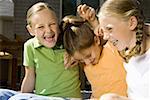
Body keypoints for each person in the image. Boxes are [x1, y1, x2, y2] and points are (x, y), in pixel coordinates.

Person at [0, 2, 81, 100]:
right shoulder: (30, 46)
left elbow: (90, 50)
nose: (48, 31)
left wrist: (77, 55)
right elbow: (29, 77)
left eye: (52, 24)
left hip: (67, 98)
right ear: (31, 30)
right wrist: (23, 96)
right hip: (40, 97)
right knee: (2, 94)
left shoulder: (68, 41)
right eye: (41, 27)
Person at [79, 0, 150, 100]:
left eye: (110, 29)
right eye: (104, 30)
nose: (106, 37)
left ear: (132, 23)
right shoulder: (127, 54)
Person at [62, 15, 127, 99]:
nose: (87, 62)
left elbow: (120, 29)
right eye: (81, 60)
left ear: (96, 40)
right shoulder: (86, 64)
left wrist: (95, 23)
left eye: (88, 56)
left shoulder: (112, 49)